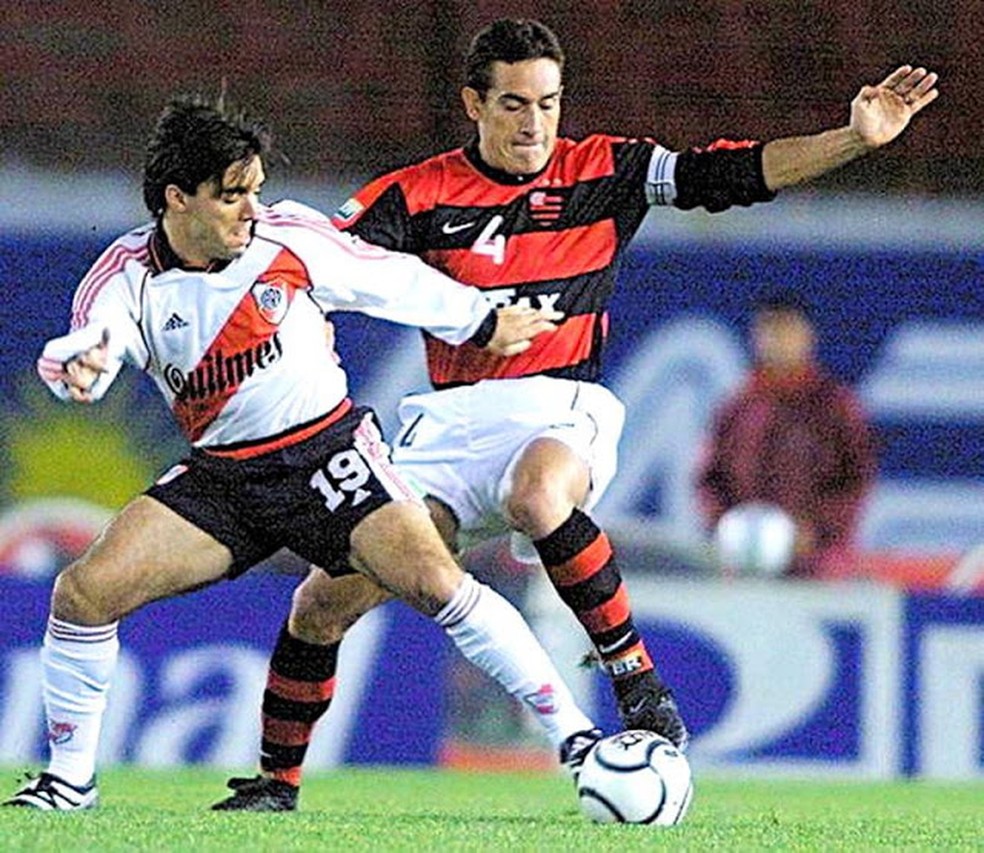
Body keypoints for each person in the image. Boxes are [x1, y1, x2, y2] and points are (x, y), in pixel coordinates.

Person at [212, 18, 938, 811]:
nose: (535, 124)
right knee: (320, 601)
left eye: (549, 104)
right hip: (447, 427)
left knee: (537, 495)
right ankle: (274, 788)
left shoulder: (607, 170)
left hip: (561, 403)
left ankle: (636, 681)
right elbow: (318, 261)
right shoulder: (414, 193)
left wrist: (855, 138)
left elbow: (736, 174)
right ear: (473, 104)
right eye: (516, 105)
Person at [2, 94, 610, 811]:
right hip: (223, 478)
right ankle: (70, 782)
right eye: (232, 195)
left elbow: (392, 279)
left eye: (254, 190)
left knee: (441, 588)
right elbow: (101, 341)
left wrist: (482, 320)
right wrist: (81, 369)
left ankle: (580, 741)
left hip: (328, 457)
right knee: (83, 593)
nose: (250, 209)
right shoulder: (125, 274)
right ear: (177, 198)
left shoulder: (288, 239)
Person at [697, 288, 877, 579]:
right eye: (768, 329)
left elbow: (856, 480)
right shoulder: (738, 406)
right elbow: (708, 479)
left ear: (807, 336)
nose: (777, 340)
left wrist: (815, 530)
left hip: (817, 562)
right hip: (744, 561)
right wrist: (726, 523)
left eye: (787, 329)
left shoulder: (834, 405)